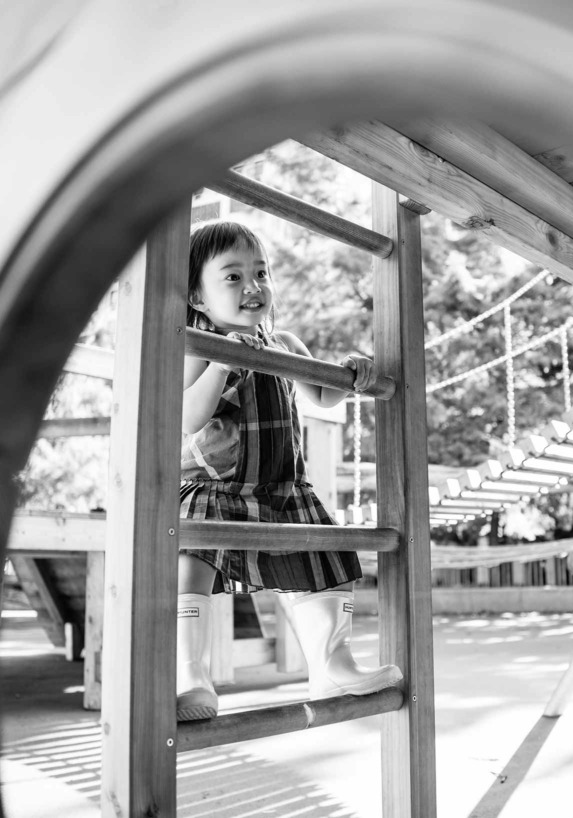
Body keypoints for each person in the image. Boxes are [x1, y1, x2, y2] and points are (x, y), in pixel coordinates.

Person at [175, 220, 403, 721]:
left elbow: (321, 394)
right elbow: (189, 415)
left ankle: (332, 664)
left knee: (325, 563)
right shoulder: (197, 343)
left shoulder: (286, 344)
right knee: (188, 566)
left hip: (282, 490)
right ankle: (190, 675)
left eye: (261, 273)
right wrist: (221, 360)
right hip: (216, 487)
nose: (253, 286)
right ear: (196, 295)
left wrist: (351, 374)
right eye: (232, 277)